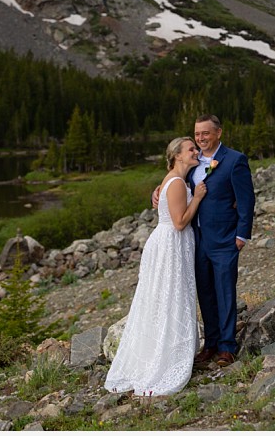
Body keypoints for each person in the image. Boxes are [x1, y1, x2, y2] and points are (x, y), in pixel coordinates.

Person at [105, 137, 207, 396]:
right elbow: (180, 222)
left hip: (172, 245)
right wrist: (196, 198)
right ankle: (163, 359)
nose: (196, 151)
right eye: (191, 149)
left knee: (169, 297)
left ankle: (168, 350)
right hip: (169, 245)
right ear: (177, 155)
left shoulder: (176, 179)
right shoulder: (175, 183)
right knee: (168, 297)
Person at [154, 114, 255, 369]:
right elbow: (175, 181)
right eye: (197, 135)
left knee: (225, 292)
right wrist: (157, 191)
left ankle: (227, 347)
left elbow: (246, 200)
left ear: (219, 133)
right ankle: (210, 344)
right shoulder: (194, 161)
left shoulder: (235, 160)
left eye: (205, 134)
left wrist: (241, 235)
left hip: (224, 239)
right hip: (195, 240)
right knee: (205, 293)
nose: (201, 139)